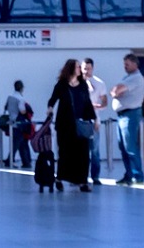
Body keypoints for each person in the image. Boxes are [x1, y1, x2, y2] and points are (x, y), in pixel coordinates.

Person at [46, 60, 97, 192]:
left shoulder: (83, 85)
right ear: (71, 69)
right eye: (77, 67)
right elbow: (53, 99)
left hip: (81, 124)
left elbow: (88, 103)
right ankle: (60, 178)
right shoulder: (62, 85)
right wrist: (50, 108)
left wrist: (94, 119)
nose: (80, 69)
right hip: (64, 124)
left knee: (83, 154)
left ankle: (82, 181)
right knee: (65, 153)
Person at [110, 52, 144, 185]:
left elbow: (116, 90)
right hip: (122, 115)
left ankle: (137, 175)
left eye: (127, 64)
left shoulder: (135, 78)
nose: (125, 66)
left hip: (130, 114)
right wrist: (115, 91)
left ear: (135, 64)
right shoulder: (128, 77)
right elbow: (114, 90)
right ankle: (129, 174)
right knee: (123, 147)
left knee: (130, 146)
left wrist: (116, 92)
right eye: (124, 64)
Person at [82, 58, 109, 185]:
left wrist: (96, 107)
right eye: (84, 68)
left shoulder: (99, 83)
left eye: (89, 68)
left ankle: (95, 176)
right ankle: (79, 176)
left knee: (95, 150)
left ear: (93, 68)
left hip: (93, 120)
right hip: (80, 121)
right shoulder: (76, 83)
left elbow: (104, 102)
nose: (86, 71)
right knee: (80, 150)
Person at [4, 80, 32, 169]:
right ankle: (10, 161)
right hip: (19, 123)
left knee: (21, 142)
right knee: (17, 143)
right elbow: (22, 110)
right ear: (22, 88)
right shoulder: (20, 98)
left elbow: (6, 107)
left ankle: (26, 161)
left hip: (11, 121)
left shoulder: (10, 97)